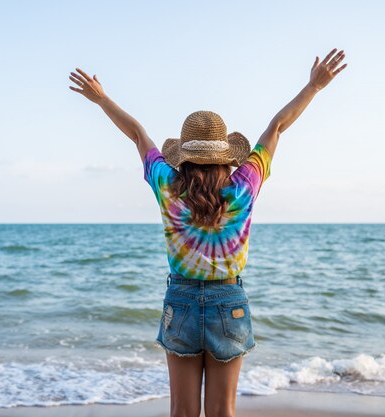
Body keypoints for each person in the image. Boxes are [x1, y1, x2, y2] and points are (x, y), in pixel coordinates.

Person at [69, 47, 347, 417]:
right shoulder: (245, 183)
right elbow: (277, 126)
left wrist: (101, 99)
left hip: (180, 300)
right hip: (228, 302)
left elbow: (138, 135)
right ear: (225, 154)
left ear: (183, 155)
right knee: (222, 413)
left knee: (182, 413)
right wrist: (313, 87)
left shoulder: (167, 184)